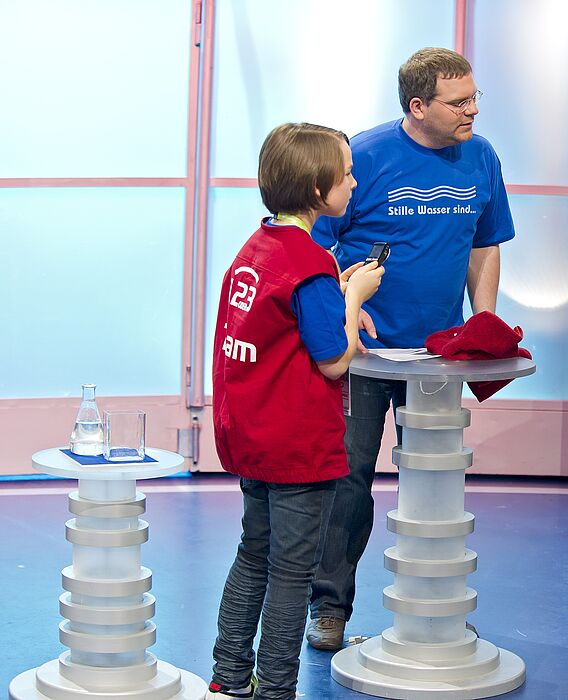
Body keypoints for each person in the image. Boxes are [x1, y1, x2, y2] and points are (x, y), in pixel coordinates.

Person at [306, 47, 515, 650]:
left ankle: (433, 606)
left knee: (433, 484)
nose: (473, 110)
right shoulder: (361, 157)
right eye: (459, 102)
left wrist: (485, 322)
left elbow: (485, 243)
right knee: (348, 482)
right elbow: (315, 245)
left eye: (476, 97)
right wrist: (347, 304)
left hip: (439, 360)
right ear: (417, 106)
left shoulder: (481, 156)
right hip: (364, 356)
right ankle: (329, 609)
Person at [206, 122, 383, 699]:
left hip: (253, 439)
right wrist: (352, 298)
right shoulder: (310, 265)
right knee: (291, 571)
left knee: (253, 553)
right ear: (317, 189)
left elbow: (287, 325)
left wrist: (336, 289)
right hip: (297, 448)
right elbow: (334, 363)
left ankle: (230, 675)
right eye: (347, 173)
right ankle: (277, 688)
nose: (355, 183)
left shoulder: (257, 249)